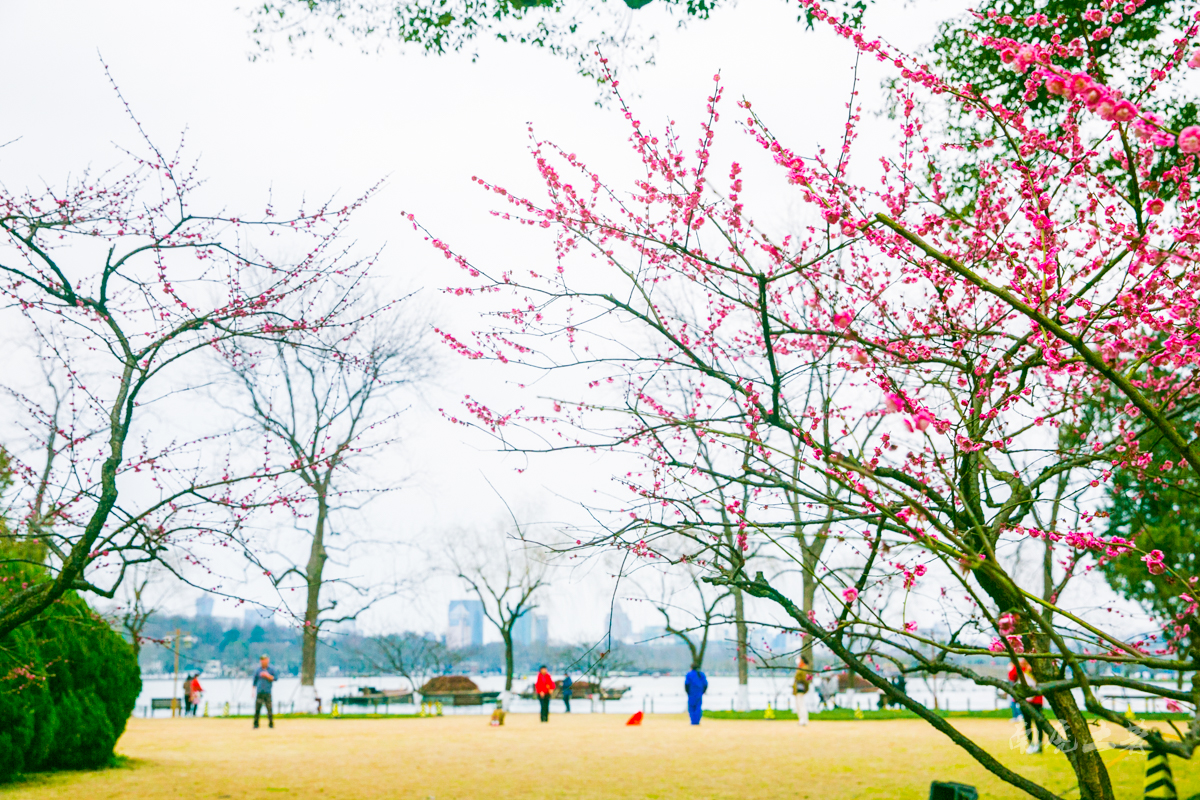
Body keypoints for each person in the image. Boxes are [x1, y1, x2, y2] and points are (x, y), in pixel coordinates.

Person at [1009, 659, 1044, 754]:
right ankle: (1030, 744)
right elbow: (1012, 676)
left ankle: (1040, 744)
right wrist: (1019, 665)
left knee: (1039, 723)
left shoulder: (1035, 668)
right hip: (1025, 700)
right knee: (1027, 723)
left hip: (1037, 700)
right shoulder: (1021, 668)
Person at [253, 654, 278, 729]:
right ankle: (256, 724)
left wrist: (267, 675)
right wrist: (253, 691)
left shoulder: (271, 670)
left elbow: (275, 678)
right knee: (257, 709)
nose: (263, 661)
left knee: (269, 709)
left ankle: (271, 724)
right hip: (259, 692)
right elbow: (254, 681)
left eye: (264, 659)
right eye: (262, 660)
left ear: (268, 660)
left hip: (267, 692)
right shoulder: (258, 670)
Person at [792, 656, 811, 727]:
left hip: (800, 687)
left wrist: (805, 688)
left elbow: (804, 679)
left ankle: (804, 720)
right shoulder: (800, 667)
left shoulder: (804, 668)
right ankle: (801, 719)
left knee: (801, 704)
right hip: (797, 688)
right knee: (798, 704)